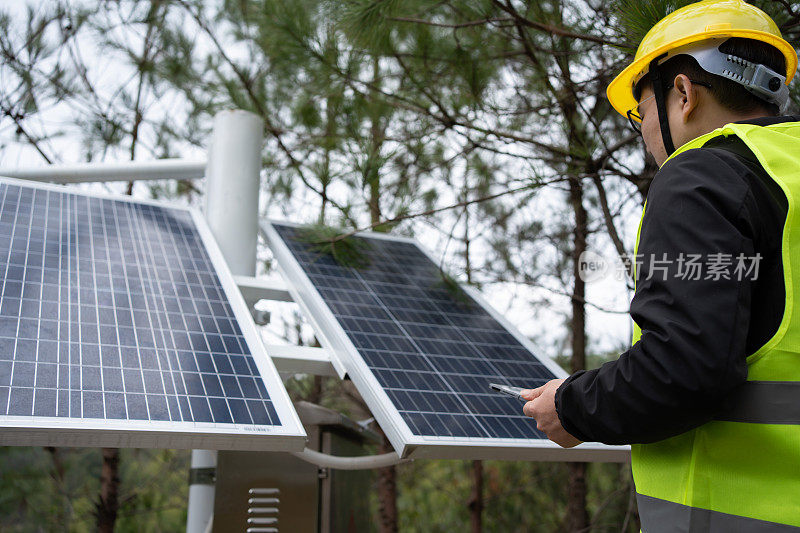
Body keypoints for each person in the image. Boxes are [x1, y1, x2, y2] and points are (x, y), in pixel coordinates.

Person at [519, 0, 800, 530]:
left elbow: (684, 371)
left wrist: (572, 404)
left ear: (684, 93)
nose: (643, 130)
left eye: (640, 111)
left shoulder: (703, 176)